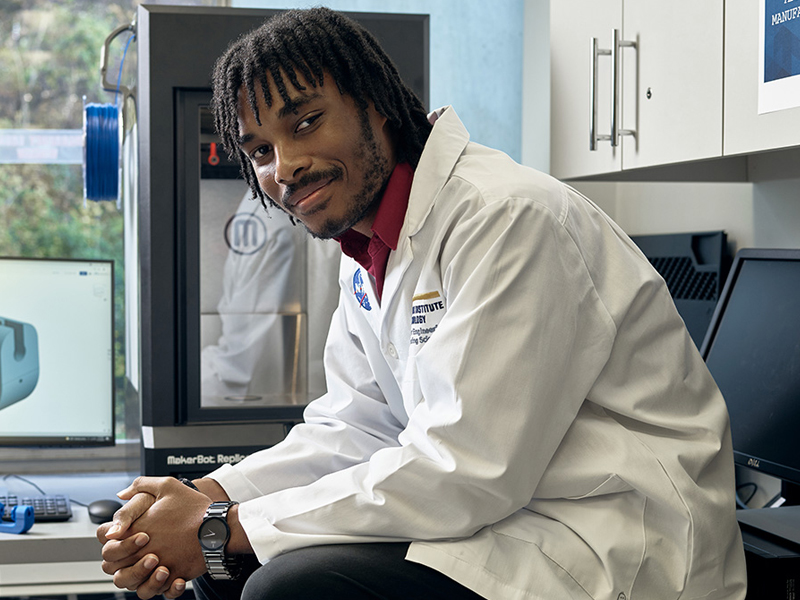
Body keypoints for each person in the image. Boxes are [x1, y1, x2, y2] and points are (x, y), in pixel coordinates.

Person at [97, 7, 748, 600]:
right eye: (261, 150)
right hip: (505, 526)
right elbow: (352, 432)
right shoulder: (370, 253)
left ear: (375, 102)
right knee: (222, 570)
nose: (285, 166)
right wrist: (209, 496)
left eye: (305, 122)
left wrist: (220, 525)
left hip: (611, 542)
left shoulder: (508, 218)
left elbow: (467, 469)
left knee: (285, 587)